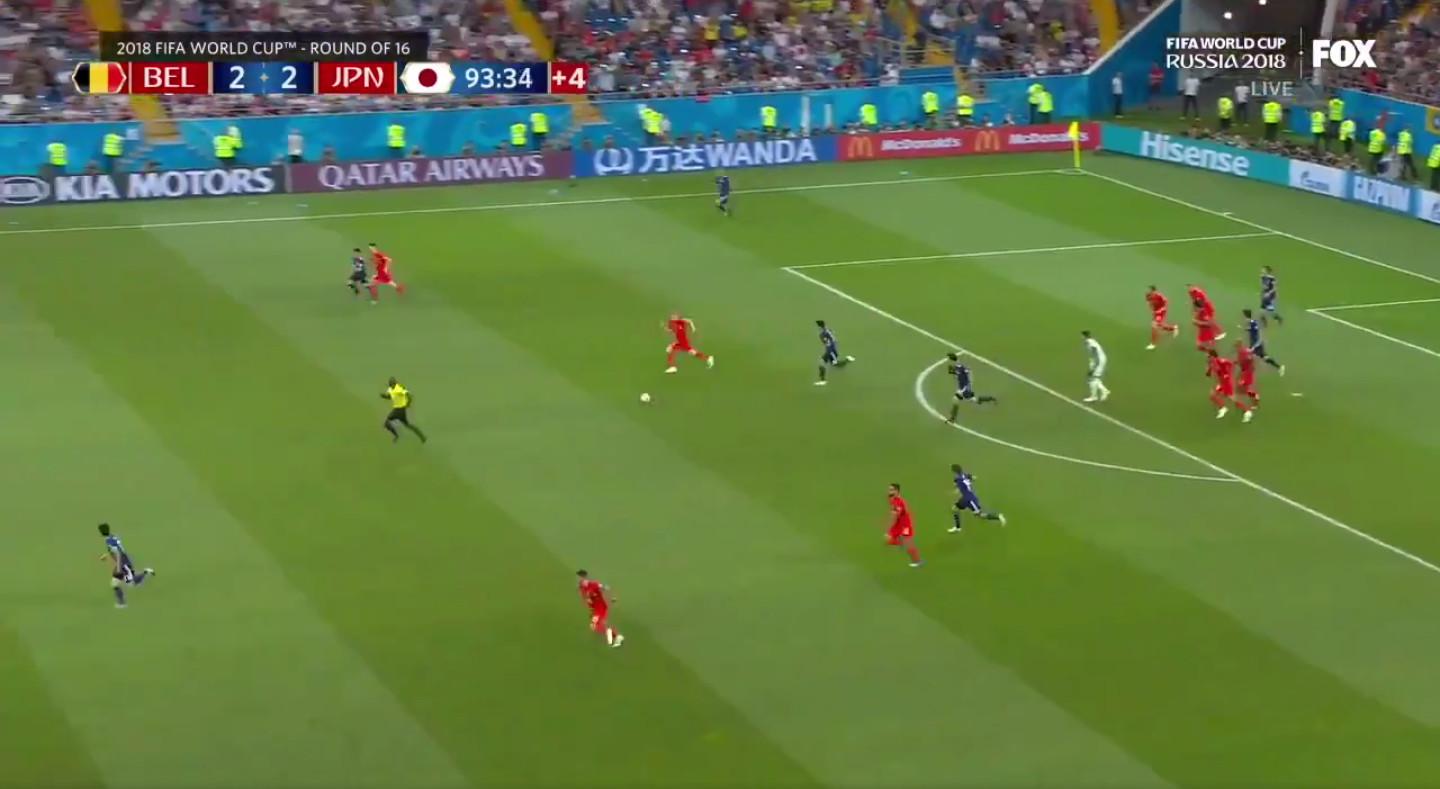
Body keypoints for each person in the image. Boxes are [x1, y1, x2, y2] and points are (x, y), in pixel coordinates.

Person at [98, 523, 153, 609]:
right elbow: (115, 550)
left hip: (123, 563)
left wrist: (118, 567)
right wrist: (106, 556)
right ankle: (121, 603)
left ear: (101, 532)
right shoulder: (112, 537)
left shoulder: (109, 541)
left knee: (131, 583)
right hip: (122, 561)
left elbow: (118, 553)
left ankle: (145, 573)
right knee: (115, 583)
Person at [948, 464, 1005, 533]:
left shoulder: (957, 479)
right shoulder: (965, 475)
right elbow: (974, 478)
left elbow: (957, 488)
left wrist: (954, 491)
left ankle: (998, 516)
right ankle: (957, 528)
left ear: (954, 471)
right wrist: (969, 482)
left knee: (980, 515)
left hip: (970, 499)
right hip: (965, 498)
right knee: (955, 508)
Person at [576, 570, 624, 648]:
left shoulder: (593, 584)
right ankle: (614, 636)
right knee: (594, 626)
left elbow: (606, 588)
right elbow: (588, 600)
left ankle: (617, 637)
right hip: (595, 609)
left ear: (584, 577)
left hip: (601, 607)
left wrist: (613, 598)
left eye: (580, 577)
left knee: (599, 624)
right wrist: (591, 611)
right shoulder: (582, 588)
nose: (578, 579)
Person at [944, 352, 996, 421]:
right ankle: (953, 417)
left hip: (965, 388)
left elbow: (966, 372)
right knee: (957, 399)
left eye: (948, 359)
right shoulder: (957, 366)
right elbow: (957, 374)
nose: (947, 360)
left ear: (951, 359)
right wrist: (953, 372)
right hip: (962, 387)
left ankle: (990, 398)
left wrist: (969, 384)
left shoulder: (960, 367)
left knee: (973, 400)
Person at [381, 377, 428, 443]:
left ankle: (396, 436)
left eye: (392, 384)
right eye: (390, 385)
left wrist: (408, 403)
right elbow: (390, 396)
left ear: (395, 383)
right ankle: (422, 437)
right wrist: (384, 396)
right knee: (408, 425)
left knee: (386, 423)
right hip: (398, 410)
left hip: (399, 409)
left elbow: (408, 395)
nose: (391, 386)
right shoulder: (390, 389)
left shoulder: (399, 388)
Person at [885, 483, 922, 568]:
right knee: (889, 540)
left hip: (905, 525)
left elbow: (894, 516)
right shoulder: (892, 498)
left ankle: (917, 561)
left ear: (897, 491)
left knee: (909, 544)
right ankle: (901, 542)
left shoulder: (899, 502)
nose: (889, 491)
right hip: (899, 523)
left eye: (892, 490)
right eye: (889, 489)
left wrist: (889, 528)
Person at [1207, 349, 1247, 420]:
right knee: (1213, 395)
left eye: (1209, 356)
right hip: (1222, 382)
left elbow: (1219, 370)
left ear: (1212, 356)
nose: (1208, 357)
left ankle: (1246, 411)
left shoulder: (1217, 361)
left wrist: (1226, 374)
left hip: (1225, 382)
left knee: (1231, 398)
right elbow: (1230, 363)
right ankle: (1223, 408)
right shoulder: (1216, 361)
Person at [1241, 309, 1284, 375]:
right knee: (1263, 357)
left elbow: (1257, 334)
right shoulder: (1252, 323)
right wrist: (1247, 329)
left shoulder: (1253, 324)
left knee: (1249, 356)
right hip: (1255, 344)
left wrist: (1253, 347)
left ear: (1246, 316)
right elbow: (1253, 330)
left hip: (1257, 345)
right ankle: (1279, 367)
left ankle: (1245, 372)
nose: (1243, 318)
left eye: (1243, 316)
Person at [814, 320, 854, 385]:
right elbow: (833, 339)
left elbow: (828, 342)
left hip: (830, 351)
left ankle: (847, 360)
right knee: (829, 363)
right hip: (831, 350)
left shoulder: (822, 334)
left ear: (820, 327)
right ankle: (823, 380)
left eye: (818, 326)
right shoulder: (828, 330)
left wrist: (830, 350)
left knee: (831, 364)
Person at [1145, 285, 1180, 350]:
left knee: (1154, 326)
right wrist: (1152, 310)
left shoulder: (1159, 296)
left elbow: (1166, 301)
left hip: (1161, 311)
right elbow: (1149, 303)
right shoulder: (1148, 295)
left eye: (1151, 291)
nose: (1149, 292)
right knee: (1160, 326)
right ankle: (1174, 328)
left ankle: (1153, 344)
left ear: (1154, 291)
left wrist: (1162, 309)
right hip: (1156, 312)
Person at [1082, 330, 1110, 403]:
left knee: (1092, 379)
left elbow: (1095, 353)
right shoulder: (1091, 341)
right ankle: (1104, 391)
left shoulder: (1090, 343)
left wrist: (1094, 367)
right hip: (1098, 361)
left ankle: (1094, 397)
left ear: (1083, 336)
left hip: (1099, 361)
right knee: (1092, 378)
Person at [1235, 342, 1260, 422]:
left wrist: (1245, 365)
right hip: (1247, 372)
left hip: (1247, 374)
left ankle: (1247, 411)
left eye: (1236, 347)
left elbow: (1247, 361)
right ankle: (1255, 398)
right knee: (1242, 390)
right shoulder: (1245, 351)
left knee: (1240, 391)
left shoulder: (1242, 353)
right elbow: (1251, 358)